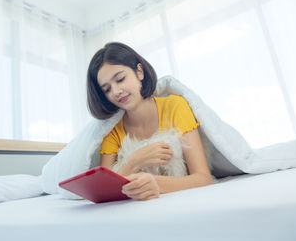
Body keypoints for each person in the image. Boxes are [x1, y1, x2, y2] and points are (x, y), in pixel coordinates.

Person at [87, 42, 213, 201]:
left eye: (120, 79)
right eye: (107, 89)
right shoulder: (112, 130)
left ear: (139, 72)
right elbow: (103, 191)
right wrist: (135, 160)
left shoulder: (175, 106)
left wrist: (157, 184)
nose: (116, 92)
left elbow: (204, 179)